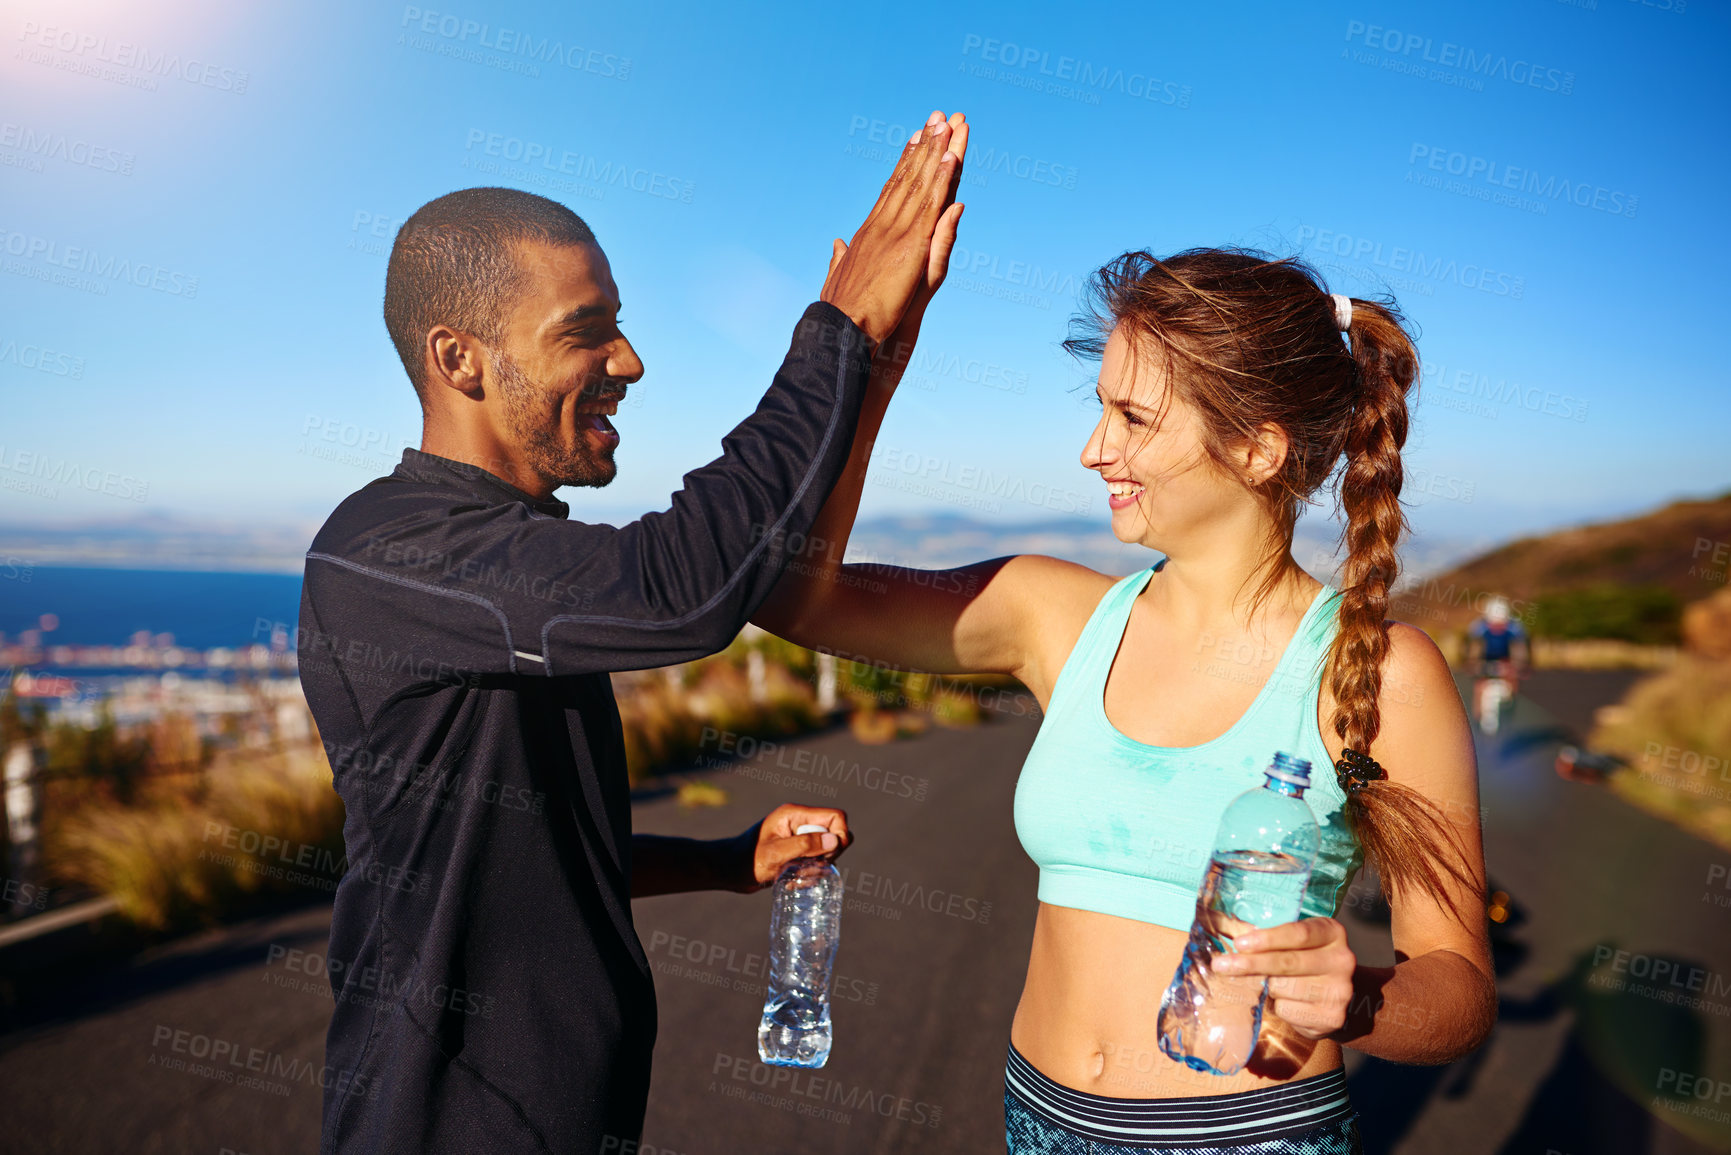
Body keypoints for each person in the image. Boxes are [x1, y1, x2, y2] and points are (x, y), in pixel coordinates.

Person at [297, 110, 969, 1153]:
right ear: (459, 359)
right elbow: (682, 588)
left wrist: (724, 858)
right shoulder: (389, 551)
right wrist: (835, 332)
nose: (632, 361)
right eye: (586, 330)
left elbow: (531, 849)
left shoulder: (507, 560)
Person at [753, 249, 1495, 1152]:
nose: (1094, 447)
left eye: (1133, 416)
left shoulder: (1382, 671)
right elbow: (797, 594)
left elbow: (1456, 990)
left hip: (1245, 1134)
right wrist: (867, 371)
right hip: (1034, 1118)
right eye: (1101, 407)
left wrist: (1358, 997)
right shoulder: (1050, 612)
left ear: (1258, 450)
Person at [1467, 595, 1530, 723]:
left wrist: (1518, 666)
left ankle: (1510, 709)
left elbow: (1520, 650)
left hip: (1506, 659)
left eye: (1501, 624)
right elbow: (1474, 649)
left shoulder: (1515, 628)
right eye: (1494, 624)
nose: (1497, 627)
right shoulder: (1479, 627)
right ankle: (1477, 716)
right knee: (1480, 686)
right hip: (1486, 658)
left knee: (1512, 681)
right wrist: (1474, 665)